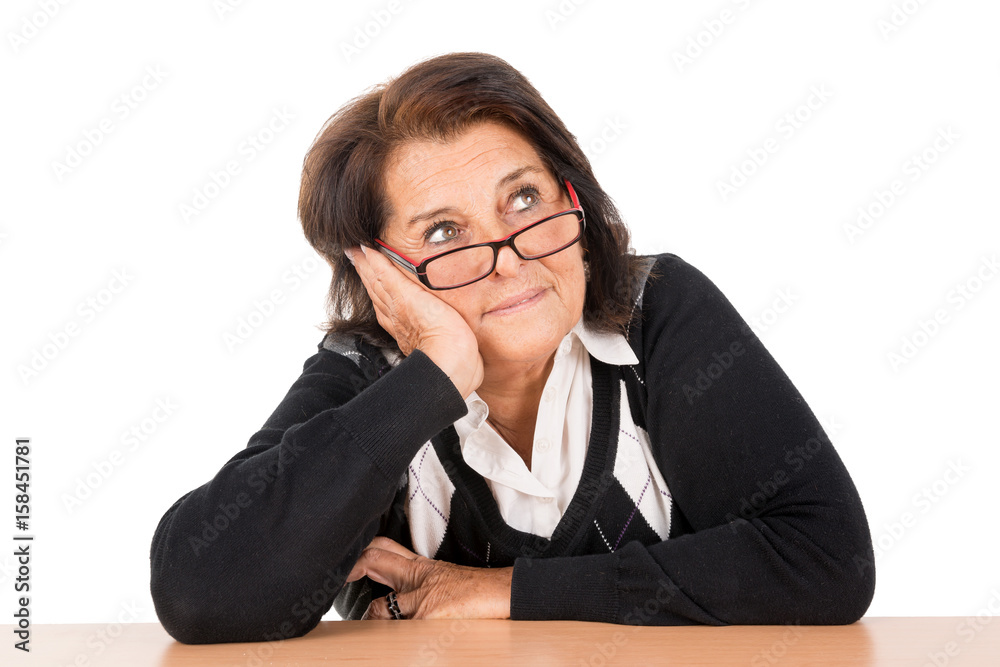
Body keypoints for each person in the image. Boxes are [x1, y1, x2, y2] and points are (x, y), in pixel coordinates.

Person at [149, 52, 875, 644]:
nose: (510, 256)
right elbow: (202, 594)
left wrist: (505, 592)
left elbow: (824, 560)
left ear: (572, 196)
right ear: (381, 275)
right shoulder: (370, 376)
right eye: (444, 233)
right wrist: (433, 374)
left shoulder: (655, 311)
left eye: (523, 198)